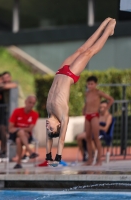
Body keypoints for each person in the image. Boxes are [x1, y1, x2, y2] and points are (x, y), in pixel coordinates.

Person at [45, 18, 116, 167]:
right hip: (70, 74)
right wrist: (57, 157)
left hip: (60, 71)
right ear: (58, 126)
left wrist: (47, 155)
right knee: (89, 52)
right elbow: (61, 139)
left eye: (48, 129)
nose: (47, 126)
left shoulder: (49, 111)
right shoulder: (63, 115)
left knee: (80, 50)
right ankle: (107, 32)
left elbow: (49, 139)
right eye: (50, 128)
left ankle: (103, 24)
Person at [83, 77, 114, 166]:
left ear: (96, 84)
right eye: (88, 84)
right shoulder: (87, 93)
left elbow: (111, 99)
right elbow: (87, 103)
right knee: (88, 137)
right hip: (87, 115)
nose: (90, 86)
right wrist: (84, 109)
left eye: (92, 84)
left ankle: (99, 160)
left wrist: (105, 109)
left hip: (94, 115)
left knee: (96, 137)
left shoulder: (98, 93)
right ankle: (89, 160)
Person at [8, 95, 39, 169]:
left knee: (19, 139)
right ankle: (30, 151)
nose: (31, 105)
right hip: (15, 134)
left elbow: (30, 129)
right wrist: (20, 129)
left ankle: (18, 163)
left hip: (27, 135)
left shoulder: (35, 114)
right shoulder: (17, 111)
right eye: (30, 102)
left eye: (33, 103)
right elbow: (10, 128)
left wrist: (19, 129)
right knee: (20, 133)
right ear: (25, 102)